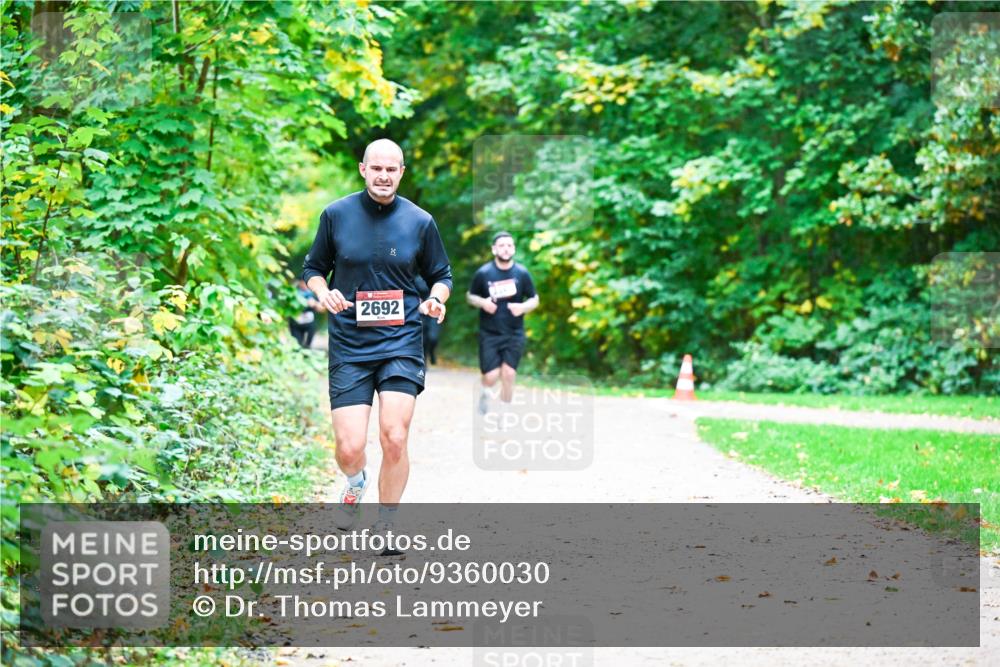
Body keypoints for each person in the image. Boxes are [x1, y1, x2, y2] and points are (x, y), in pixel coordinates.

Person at [302, 139, 451, 538]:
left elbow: (442, 275)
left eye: (392, 169)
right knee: (349, 447)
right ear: (363, 169)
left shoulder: (420, 221)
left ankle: (387, 522)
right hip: (350, 343)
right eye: (377, 168)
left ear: (401, 172)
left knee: (395, 435)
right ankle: (354, 482)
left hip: (401, 339)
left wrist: (436, 299)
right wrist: (322, 291)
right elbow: (314, 268)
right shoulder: (336, 215)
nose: (384, 176)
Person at [466, 231, 539, 414]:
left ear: (513, 249)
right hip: (489, 332)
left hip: (514, 332)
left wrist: (522, 307)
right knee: (490, 376)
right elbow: (470, 296)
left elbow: (534, 298)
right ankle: (485, 392)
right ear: (494, 249)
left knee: (509, 373)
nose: (505, 249)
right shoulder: (484, 273)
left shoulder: (522, 273)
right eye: (501, 245)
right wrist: (483, 302)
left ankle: (504, 411)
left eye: (509, 245)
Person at [415, 275, 442, 365]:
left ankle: (432, 352)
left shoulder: (437, 277)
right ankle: (424, 361)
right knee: (423, 339)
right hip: (421, 312)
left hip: (434, 312)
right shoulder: (415, 279)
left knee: (433, 338)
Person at [288, 279, 321, 349]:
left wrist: (315, 303)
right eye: (303, 283)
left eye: (307, 283)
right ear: (299, 282)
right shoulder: (293, 293)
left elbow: (321, 308)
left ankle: (307, 350)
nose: (305, 285)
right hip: (296, 323)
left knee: (308, 344)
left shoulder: (312, 294)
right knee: (297, 344)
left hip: (309, 323)